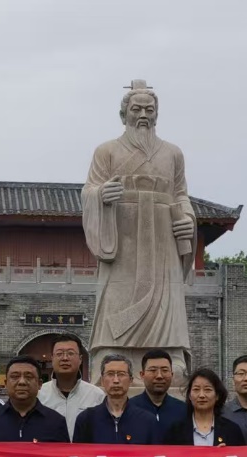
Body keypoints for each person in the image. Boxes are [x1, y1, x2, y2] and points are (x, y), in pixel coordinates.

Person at [80, 80, 195, 380]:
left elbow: (181, 194)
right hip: (122, 234)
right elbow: (89, 190)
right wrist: (101, 195)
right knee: (117, 291)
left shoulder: (173, 153)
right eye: (136, 109)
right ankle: (110, 350)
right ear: (124, 114)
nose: (143, 115)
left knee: (166, 294)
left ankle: (170, 352)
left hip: (162, 236)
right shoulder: (106, 151)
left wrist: (187, 218)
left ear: (157, 114)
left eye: (149, 109)